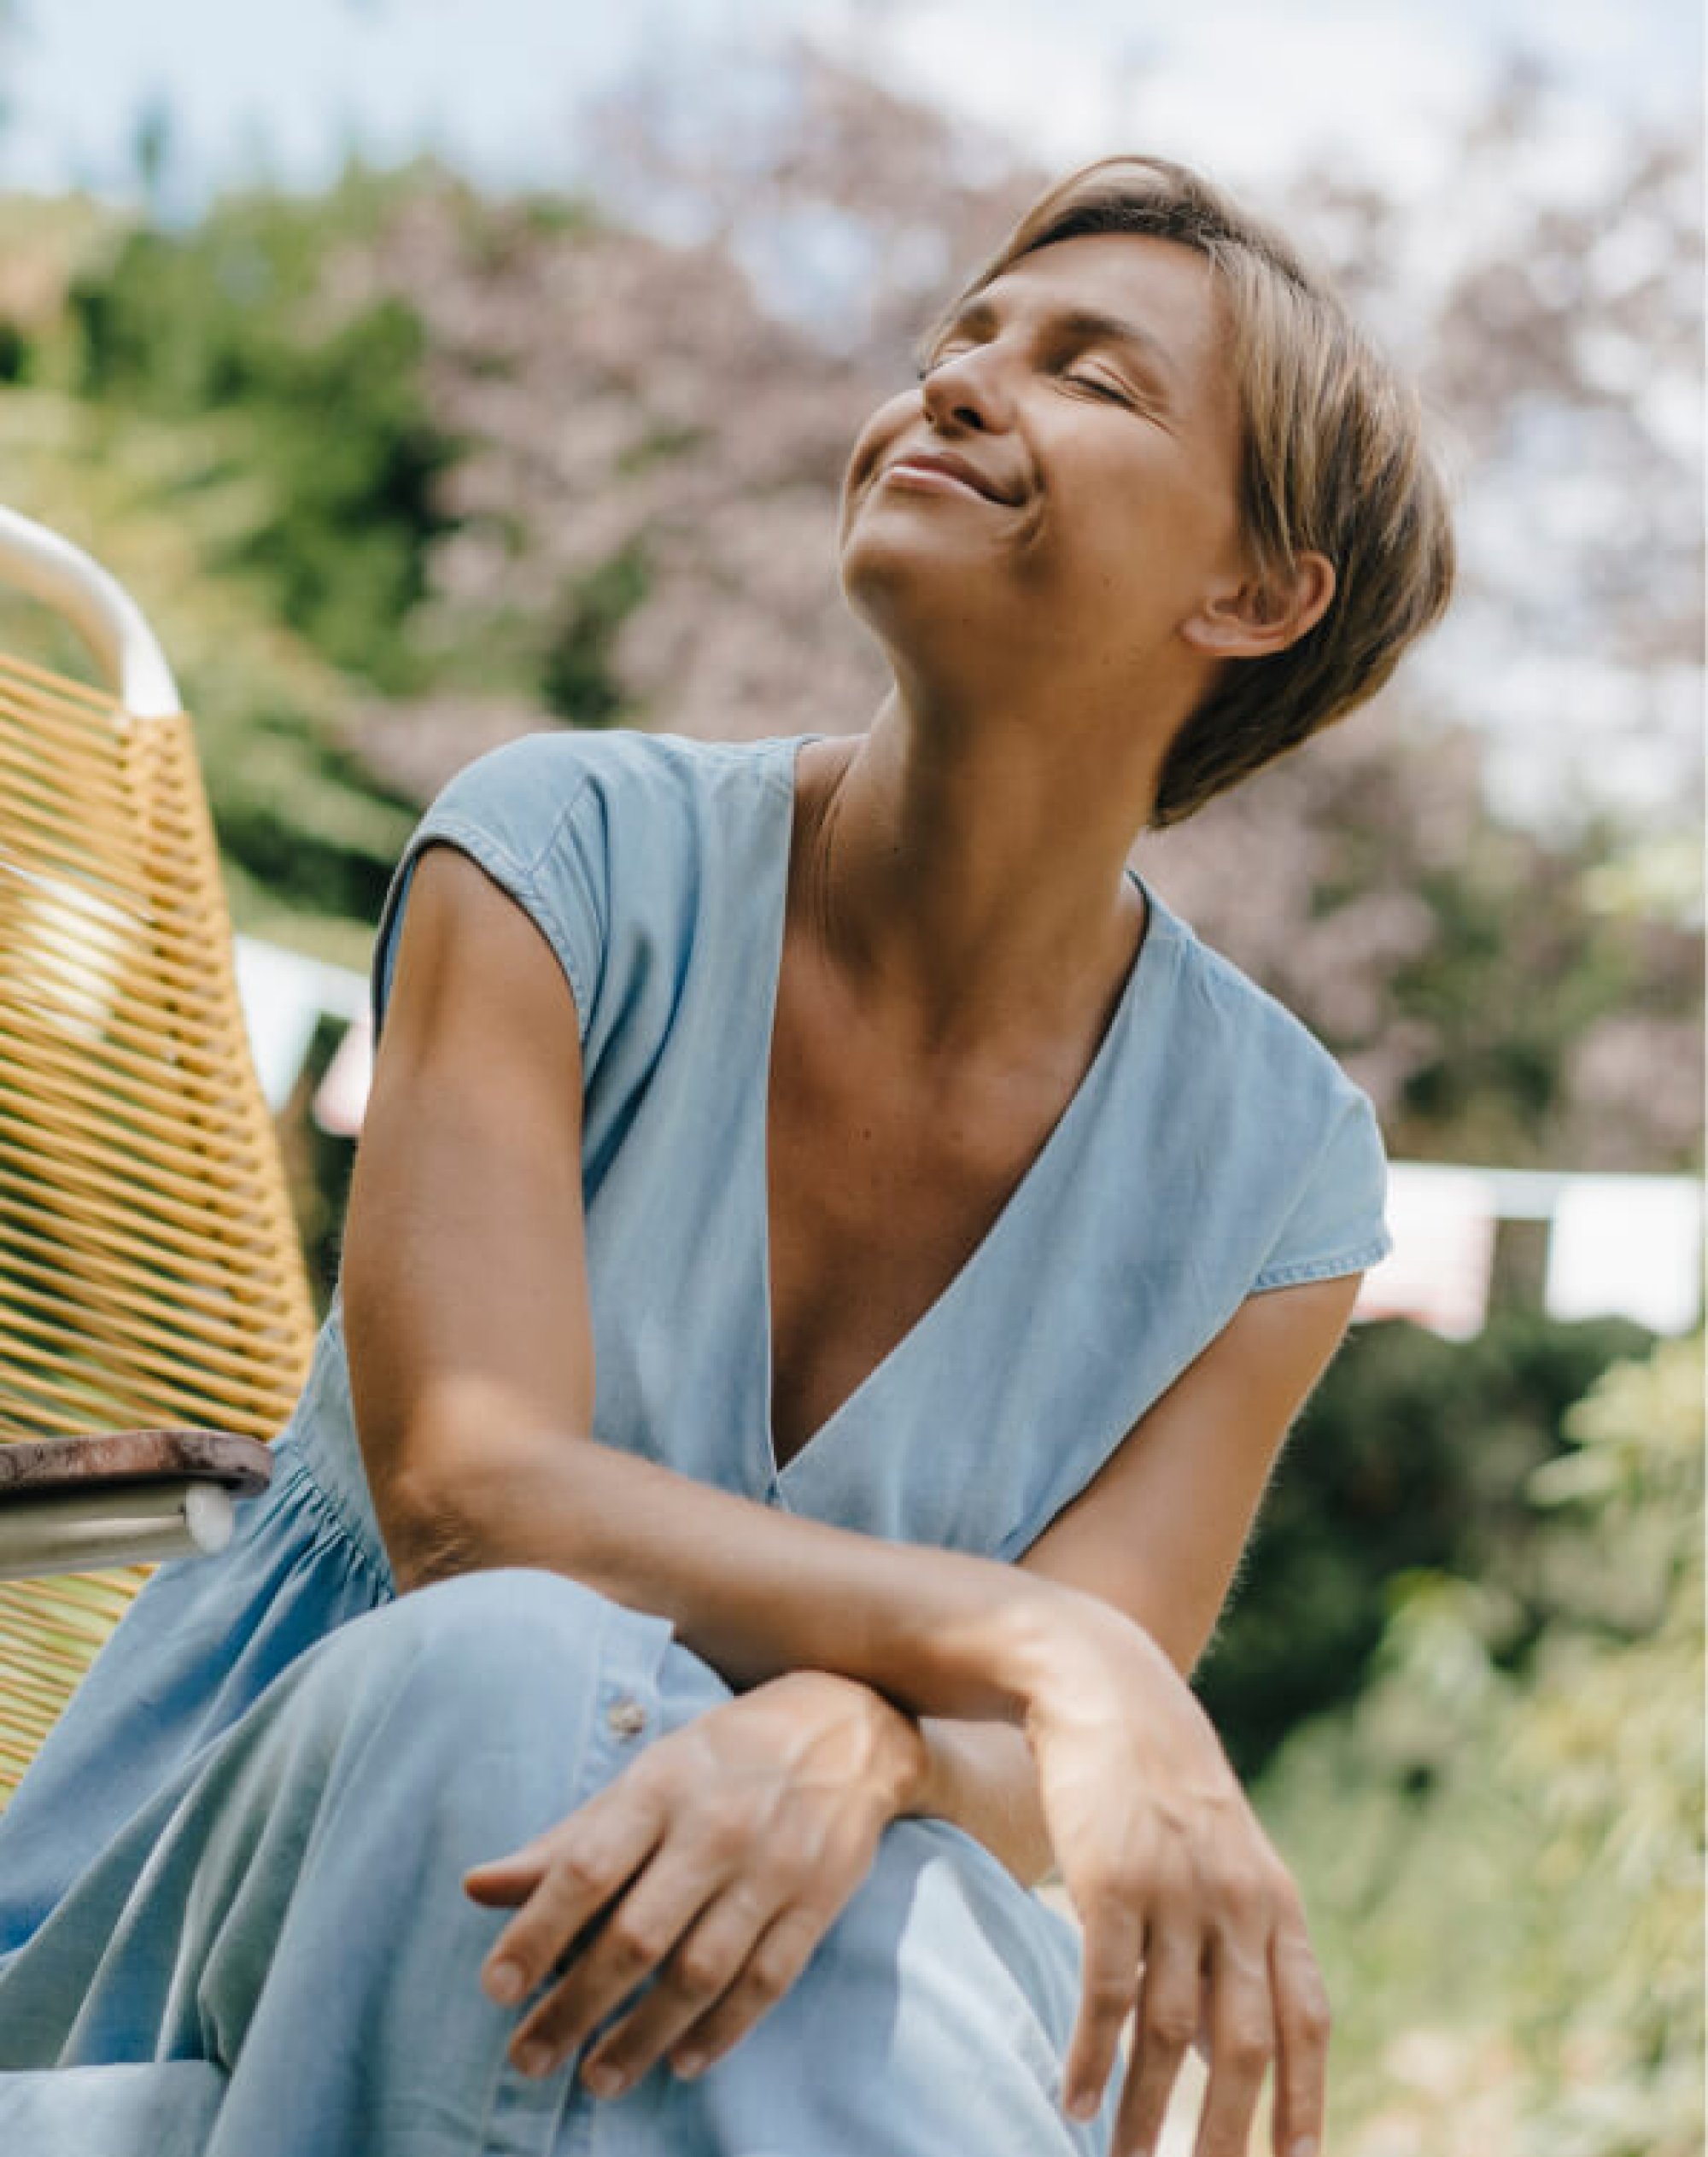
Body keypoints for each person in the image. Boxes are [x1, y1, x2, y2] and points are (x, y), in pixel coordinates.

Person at [0, 153, 1453, 2157]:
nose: (954, 384)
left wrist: (846, 1734)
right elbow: (473, 1499)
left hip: (804, 1936)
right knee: (511, 1678)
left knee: (883, 1926)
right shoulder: (559, 854)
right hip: (242, 1914)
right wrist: (1025, 1645)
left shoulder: (1284, 1173)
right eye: (961, 341)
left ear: (1256, 594)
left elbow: (1033, 1778)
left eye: (1089, 378)